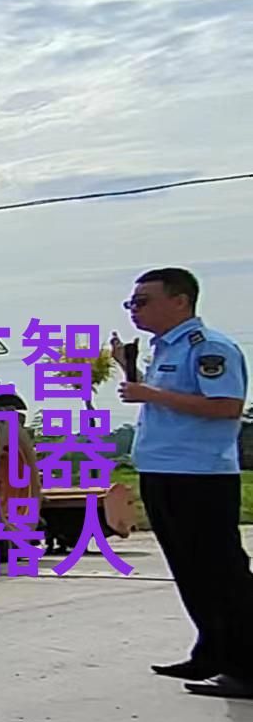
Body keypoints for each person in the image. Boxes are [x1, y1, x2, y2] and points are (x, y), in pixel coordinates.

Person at [120, 267, 252, 698]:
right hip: (163, 471)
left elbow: (227, 405)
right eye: (131, 303)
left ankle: (247, 667)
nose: (134, 310)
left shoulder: (208, 347)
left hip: (200, 475)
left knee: (221, 572)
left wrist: (150, 394)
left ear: (180, 301)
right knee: (190, 571)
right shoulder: (164, 349)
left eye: (143, 302)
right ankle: (211, 653)